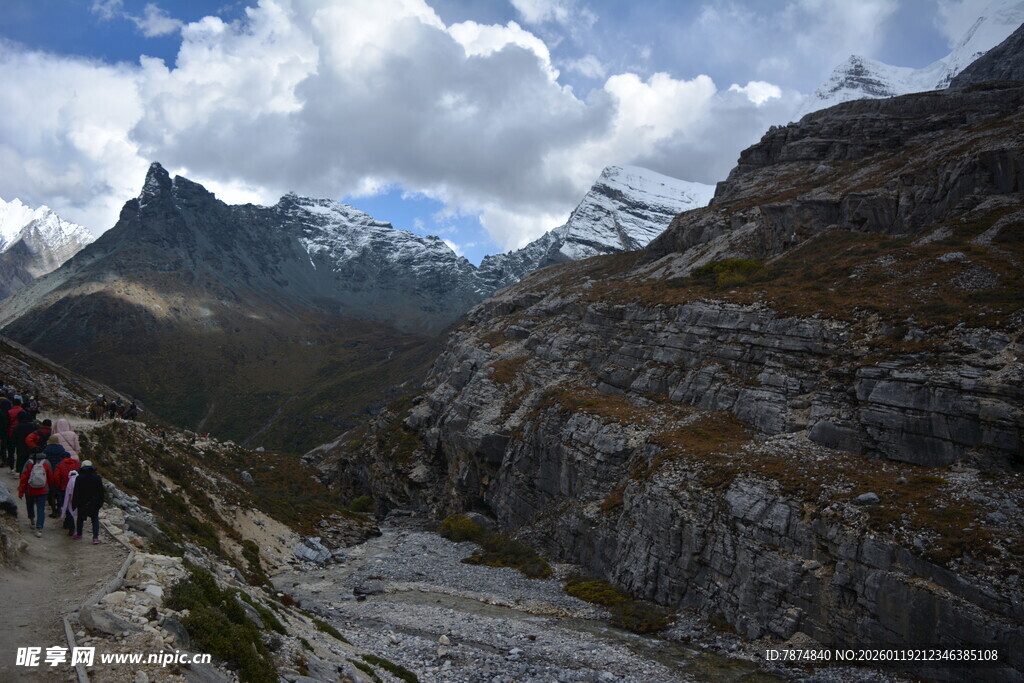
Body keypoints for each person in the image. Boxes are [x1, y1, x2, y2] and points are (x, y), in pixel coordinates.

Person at [18, 450, 51, 537]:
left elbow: (23, 477)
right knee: (41, 508)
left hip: (30, 489)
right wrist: (51, 489)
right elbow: (50, 476)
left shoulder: (29, 462)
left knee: (30, 504)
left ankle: (32, 520)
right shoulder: (46, 462)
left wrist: (21, 492)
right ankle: (39, 528)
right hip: (43, 489)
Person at [71, 460, 104, 543]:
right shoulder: (97, 478)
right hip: (94, 502)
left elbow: (76, 492)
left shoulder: (79, 478)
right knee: (95, 520)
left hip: (82, 502)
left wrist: (74, 504)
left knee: (80, 519)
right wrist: (100, 503)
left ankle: (79, 534)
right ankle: (95, 538)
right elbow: (101, 492)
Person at [42, 436, 70, 517]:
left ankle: (54, 510)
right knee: (59, 492)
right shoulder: (61, 449)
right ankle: (59, 508)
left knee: (52, 492)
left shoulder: (46, 449)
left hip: (50, 472)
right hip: (59, 471)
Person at [61, 467, 80, 536]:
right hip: (79, 499)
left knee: (70, 513)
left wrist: (63, 510)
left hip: (71, 500)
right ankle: (78, 529)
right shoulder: (79, 479)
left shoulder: (70, 481)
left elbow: (67, 495)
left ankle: (72, 528)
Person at [0, 397, 10, 473]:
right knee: (4, 447)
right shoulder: (8, 413)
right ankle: (4, 460)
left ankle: (3, 460)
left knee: (3, 447)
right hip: (7, 433)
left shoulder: (2, 413)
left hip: (2, 433)